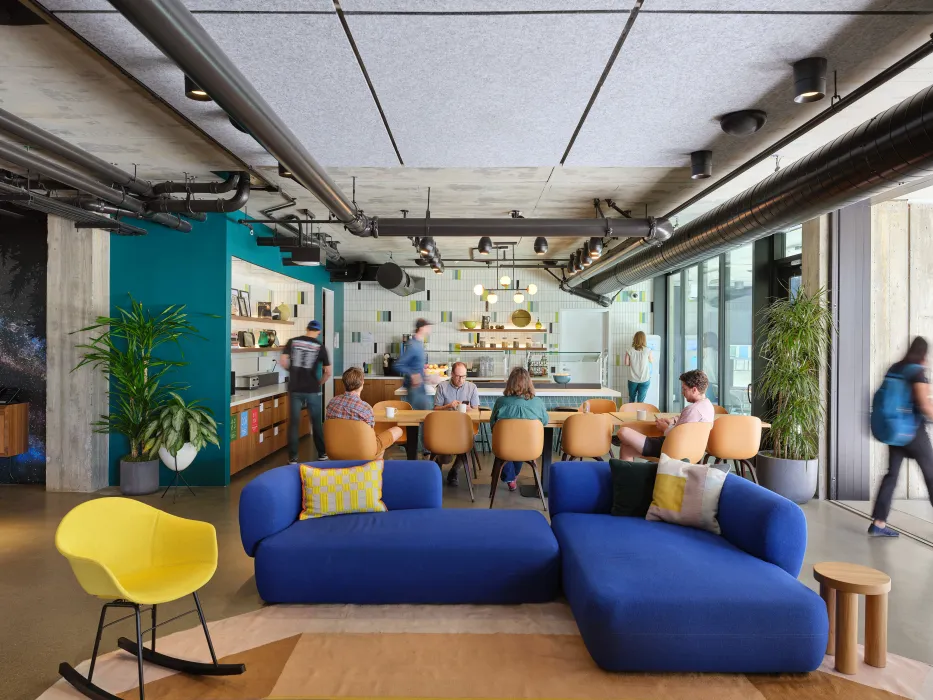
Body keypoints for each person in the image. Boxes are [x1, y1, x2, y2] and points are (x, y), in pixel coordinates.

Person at [869, 337, 933, 537]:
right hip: (913, 432)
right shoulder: (917, 372)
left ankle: (878, 523)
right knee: (931, 475)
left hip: (894, 430)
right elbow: (924, 405)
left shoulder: (895, 368)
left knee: (892, 475)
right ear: (924, 354)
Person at [616, 369, 713, 461]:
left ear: (694, 390)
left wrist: (665, 428)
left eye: (684, 389)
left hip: (670, 448)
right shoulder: (708, 406)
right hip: (693, 451)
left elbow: (677, 436)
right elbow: (687, 425)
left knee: (623, 432)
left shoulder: (692, 410)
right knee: (626, 448)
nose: (682, 392)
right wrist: (673, 420)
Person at [489, 367, 549, 492]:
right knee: (521, 443)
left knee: (507, 445)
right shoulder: (538, 403)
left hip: (505, 447)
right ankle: (512, 476)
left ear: (509, 383)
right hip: (530, 447)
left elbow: (493, 425)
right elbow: (544, 422)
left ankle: (510, 477)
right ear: (529, 383)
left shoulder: (501, 402)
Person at [281, 320, 331, 463]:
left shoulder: (292, 342)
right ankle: (322, 454)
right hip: (312, 389)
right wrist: (319, 382)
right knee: (316, 423)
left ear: (306, 328)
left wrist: (292, 371)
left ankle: (293, 458)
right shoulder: (320, 347)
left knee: (294, 424)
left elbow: (283, 361)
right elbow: (328, 371)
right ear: (319, 331)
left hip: (295, 388)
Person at [326, 367, 403, 459]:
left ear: (344, 383)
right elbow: (370, 434)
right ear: (362, 382)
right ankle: (373, 470)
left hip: (334, 451)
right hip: (362, 452)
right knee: (398, 430)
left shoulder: (332, 402)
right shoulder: (365, 408)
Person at [433, 361, 480, 486]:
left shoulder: (472, 387)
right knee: (445, 457)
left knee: (469, 441)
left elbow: (476, 410)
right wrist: (448, 406)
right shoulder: (442, 387)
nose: (461, 380)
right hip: (445, 427)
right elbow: (436, 409)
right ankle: (438, 462)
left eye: (464, 376)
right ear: (452, 374)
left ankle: (454, 471)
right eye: (458, 376)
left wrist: (470, 409)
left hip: (464, 428)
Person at [395, 319, 432, 410]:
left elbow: (414, 363)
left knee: (424, 416)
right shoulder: (413, 344)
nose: (429, 329)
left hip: (421, 387)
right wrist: (412, 374)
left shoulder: (419, 343)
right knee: (416, 419)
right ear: (421, 328)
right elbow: (398, 365)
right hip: (414, 388)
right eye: (428, 327)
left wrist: (422, 367)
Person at [624, 331, 654, 404]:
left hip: (632, 379)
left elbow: (626, 363)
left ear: (635, 339)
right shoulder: (648, 350)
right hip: (644, 379)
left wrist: (634, 363)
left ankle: (630, 414)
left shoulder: (629, 350)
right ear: (644, 339)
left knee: (632, 398)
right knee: (640, 401)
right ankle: (639, 414)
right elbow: (651, 361)